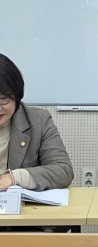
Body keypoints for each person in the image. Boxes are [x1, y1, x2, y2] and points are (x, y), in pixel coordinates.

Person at [0, 54, 74, 191]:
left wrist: (15, 177)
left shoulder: (38, 120)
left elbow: (63, 171)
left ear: (16, 94)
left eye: (3, 98)